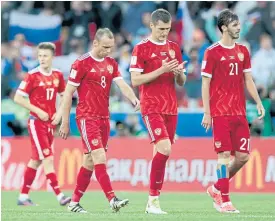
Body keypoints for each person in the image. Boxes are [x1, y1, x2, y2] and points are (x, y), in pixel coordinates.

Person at [52, 28, 140, 213]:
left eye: (111, 48)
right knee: (100, 156)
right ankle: (112, 199)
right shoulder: (81, 63)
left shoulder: (111, 63)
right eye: (105, 47)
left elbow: (122, 84)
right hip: (87, 117)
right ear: (95, 43)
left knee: (90, 162)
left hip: (104, 118)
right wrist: (65, 122)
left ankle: (74, 202)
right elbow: (68, 93)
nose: (108, 51)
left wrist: (133, 99)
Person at [201, 9, 265, 213]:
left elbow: (248, 80)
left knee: (243, 157)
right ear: (224, 27)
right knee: (223, 156)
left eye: (239, 24)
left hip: (239, 112)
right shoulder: (211, 52)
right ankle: (225, 200)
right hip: (220, 113)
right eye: (235, 25)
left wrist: (258, 102)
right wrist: (207, 112)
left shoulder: (243, 51)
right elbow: (205, 84)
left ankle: (217, 187)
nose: (239, 28)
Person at [129, 9, 186, 214]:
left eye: (168, 29)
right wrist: (161, 70)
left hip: (171, 107)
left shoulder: (174, 48)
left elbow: (181, 82)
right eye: (161, 29)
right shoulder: (141, 48)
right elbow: (135, 80)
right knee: (165, 148)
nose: (164, 33)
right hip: (151, 106)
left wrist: (179, 74)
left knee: (161, 152)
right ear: (152, 26)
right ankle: (153, 200)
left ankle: (152, 202)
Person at [14, 42, 71, 206]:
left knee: (36, 160)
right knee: (47, 158)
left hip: (50, 124)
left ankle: (23, 197)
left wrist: (59, 114)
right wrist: (37, 111)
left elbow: (64, 96)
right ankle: (60, 196)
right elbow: (18, 98)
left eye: (45, 56)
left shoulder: (58, 75)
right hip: (36, 123)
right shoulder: (32, 75)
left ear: (52, 57)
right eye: (39, 56)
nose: (42, 59)